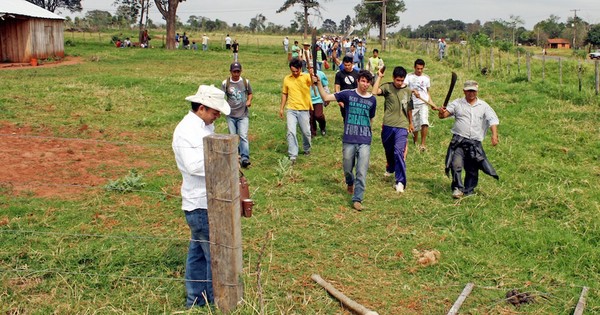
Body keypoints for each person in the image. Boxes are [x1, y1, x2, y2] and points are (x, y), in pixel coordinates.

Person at [172, 85, 231, 308]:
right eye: (215, 112)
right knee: (213, 254)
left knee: (198, 252)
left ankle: (195, 300)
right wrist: (224, 161)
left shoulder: (204, 127)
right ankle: (212, 300)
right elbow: (193, 165)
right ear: (202, 108)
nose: (217, 116)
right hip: (199, 203)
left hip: (207, 201)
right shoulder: (187, 131)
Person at [312, 70, 377, 211]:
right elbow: (326, 97)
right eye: (363, 81)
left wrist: (368, 132)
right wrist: (318, 83)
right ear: (358, 81)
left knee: (361, 171)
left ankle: (357, 199)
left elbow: (371, 119)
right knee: (348, 167)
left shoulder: (372, 100)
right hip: (349, 138)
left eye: (368, 82)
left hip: (365, 139)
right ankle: (349, 181)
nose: (365, 84)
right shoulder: (348, 94)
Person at [438, 80, 499, 199]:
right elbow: (443, 115)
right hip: (458, 141)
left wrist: (494, 135)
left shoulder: (483, 106)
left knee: (472, 168)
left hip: (474, 143)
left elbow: (492, 120)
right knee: (456, 165)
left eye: (473, 91)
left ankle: (469, 190)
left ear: (477, 91)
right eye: (469, 90)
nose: (471, 93)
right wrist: (441, 112)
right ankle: (457, 189)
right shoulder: (457, 104)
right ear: (464, 91)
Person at [372, 66, 414, 193]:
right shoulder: (387, 87)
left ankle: (400, 181)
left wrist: (411, 123)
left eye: (402, 80)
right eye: (397, 80)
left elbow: (409, 108)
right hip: (388, 125)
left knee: (398, 152)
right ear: (393, 78)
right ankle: (390, 167)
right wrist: (379, 76)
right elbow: (374, 92)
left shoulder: (407, 91)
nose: (399, 83)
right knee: (389, 149)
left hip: (402, 125)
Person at [279, 58, 313, 164]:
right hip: (291, 109)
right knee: (291, 132)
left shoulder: (306, 77)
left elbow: (314, 82)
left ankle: (307, 149)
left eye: (297, 71)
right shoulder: (287, 79)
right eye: (292, 71)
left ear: (300, 69)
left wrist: (313, 76)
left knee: (306, 132)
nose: (295, 73)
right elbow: (285, 93)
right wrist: (281, 108)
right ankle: (293, 155)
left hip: (304, 109)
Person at [222, 62, 253, 168]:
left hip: (243, 114)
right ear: (230, 72)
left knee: (243, 135)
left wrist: (249, 101)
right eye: (234, 71)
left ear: (241, 71)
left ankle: (245, 158)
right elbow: (222, 96)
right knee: (232, 136)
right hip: (231, 115)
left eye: (238, 71)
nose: (236, 74)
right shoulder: (225, 83)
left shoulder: (245, 82)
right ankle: (234, 156)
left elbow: (250, 93)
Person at [406, 58, 437, 152]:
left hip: (423, 103)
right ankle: (415, 142)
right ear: (414, 67)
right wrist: (412, 91)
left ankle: (423, 144)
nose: (419, 70)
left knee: (424, 122)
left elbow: (427, 93)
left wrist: (431, 103)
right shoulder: (409, 77)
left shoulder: (426, 78)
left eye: (421, 69)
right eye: (417, 68)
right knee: (414, 125)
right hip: (412, 104)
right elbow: (403, 88)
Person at [306, 62, 329, 137]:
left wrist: (327, 97)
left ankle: (323, 127)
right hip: (308, 100)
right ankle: (313, 132)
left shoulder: (320, 74)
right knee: (310, 117)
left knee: (318, 115)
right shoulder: (303, 75)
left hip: (318, 99)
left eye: (312, 67)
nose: (311, 69)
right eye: (309, 68)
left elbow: (325, 86)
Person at [334, 55, 359, 122]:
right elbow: (337, 86)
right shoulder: (339, 74)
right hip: (344, 99)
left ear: (352, 64)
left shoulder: (357, 74)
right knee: (346, 118)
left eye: (349, 65)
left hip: (355, 99)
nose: (347, 67)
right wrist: (339, 100)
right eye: (345, 65)